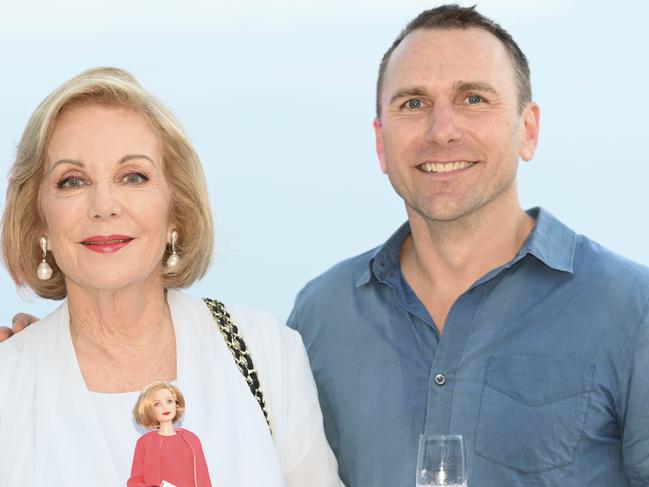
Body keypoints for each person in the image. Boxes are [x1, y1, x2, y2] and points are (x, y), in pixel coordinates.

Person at [286, 5, 649, 487]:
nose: (442, 131)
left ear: (529, 130)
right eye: (413, 103)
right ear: (380, 142)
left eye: (473, 98)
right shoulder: (321, 315)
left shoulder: (632, 310)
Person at [0, 67, 342, 487]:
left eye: (133, 177)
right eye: (73, 181)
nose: (104, 205)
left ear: (175, 210)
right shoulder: (8, 381)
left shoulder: (268, 351)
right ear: (39, 223)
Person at [128, 382, 212, 487]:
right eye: (157, 404)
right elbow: (135, 481)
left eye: (169, 401)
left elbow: (204, 477)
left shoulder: (192, 439)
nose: (165, 407)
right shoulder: (145, 442)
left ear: (176, 404)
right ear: (150, 410)